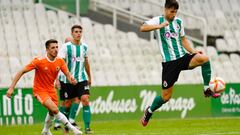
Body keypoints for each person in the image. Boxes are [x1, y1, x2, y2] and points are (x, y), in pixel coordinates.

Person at [139, 0, 220, 127]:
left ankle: (206, 89)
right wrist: (159, 27)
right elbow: (142, 27)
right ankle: (149, 112)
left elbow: (183, 40)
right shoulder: (157, 20)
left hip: (183, 58)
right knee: (165, 98)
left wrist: (194, 51)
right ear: (165, 9)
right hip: (169, 64)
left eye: (175, 11)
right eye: (172, 11)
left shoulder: (179, 22)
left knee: (204, 58)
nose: (174, 14)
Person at [6, 39, 83, 135]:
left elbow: (67, 74)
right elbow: (21, 71)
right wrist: (11, 88)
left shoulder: (60, 61)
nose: (56, 49)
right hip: (39, 90)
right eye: (53, 48)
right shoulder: (39, 61)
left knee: (52, 112)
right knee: (55, 110)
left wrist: (72, 79)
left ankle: (45, 131)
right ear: (47, 49)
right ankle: (73, 130)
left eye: (56, 47)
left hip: (51, 90)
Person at [57, 25, 92, 134]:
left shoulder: (85, 47)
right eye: (76, 31)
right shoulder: (66, 47)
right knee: (67, 104)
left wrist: (90, 77)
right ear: (72, 33)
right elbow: (60, 63)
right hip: (68, 80)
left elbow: (86, 63)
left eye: (80, 31)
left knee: (85, 99)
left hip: (81, 78)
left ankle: (87, 128)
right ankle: (66, 127)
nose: (78, 33)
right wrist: (58, 79)